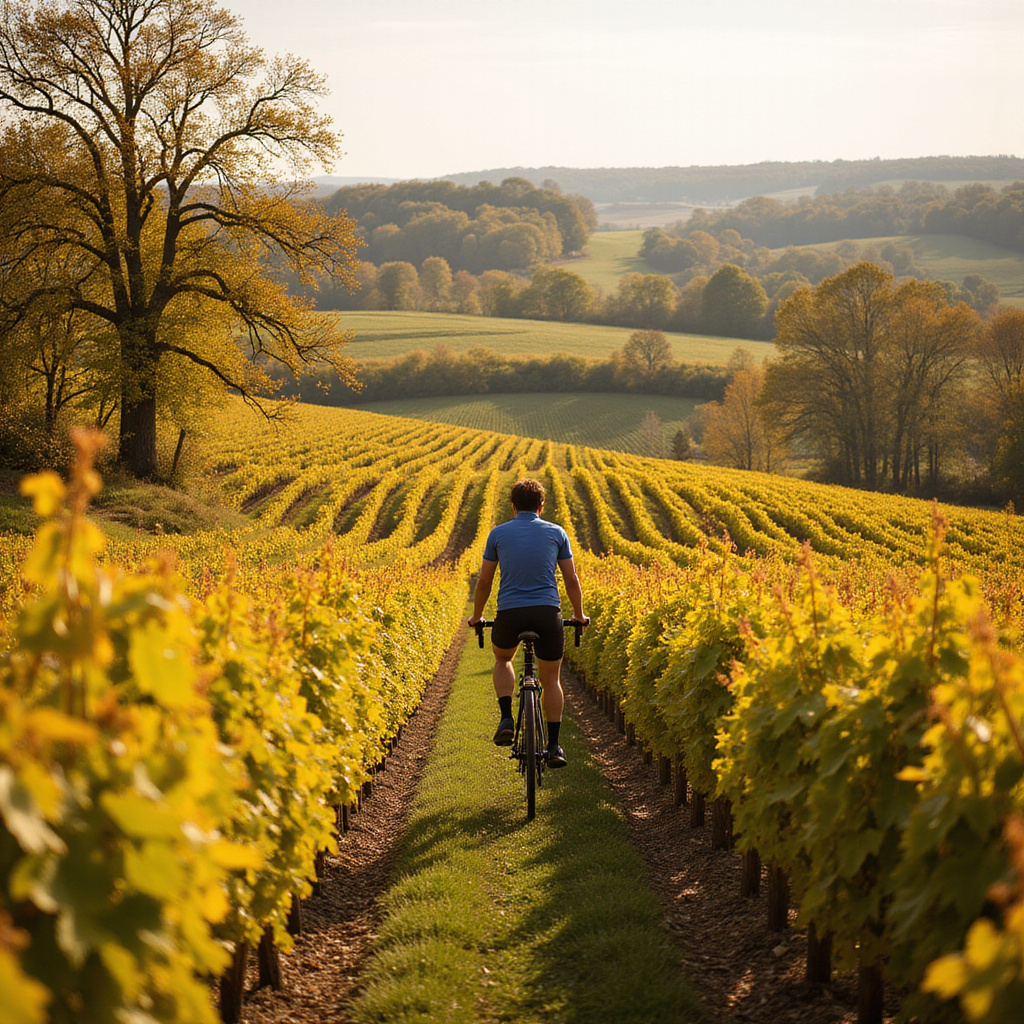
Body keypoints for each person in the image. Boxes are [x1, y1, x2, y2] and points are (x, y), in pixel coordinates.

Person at [467, 478, 588, 768]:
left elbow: (484, 581)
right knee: (551, 679)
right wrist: (579, 615)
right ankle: (555, 746)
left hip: (510, 613)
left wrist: (477, 615)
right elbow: (571, 580)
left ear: (513, 506)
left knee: (503, 659)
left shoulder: (498, 534)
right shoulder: (557, 533)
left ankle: (507, 716)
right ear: (541, 506)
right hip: (547, 613)